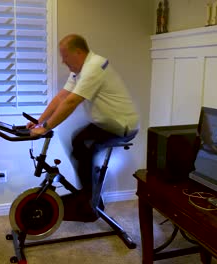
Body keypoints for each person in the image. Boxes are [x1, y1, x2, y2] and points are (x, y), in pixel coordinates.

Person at [28, 34, 139, 221]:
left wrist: (45, 128)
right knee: (78, 140)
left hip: (122, 126)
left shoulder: (94, 67)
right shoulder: (79, 70)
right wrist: (40, 122)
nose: (63, 61)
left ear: (78, 52)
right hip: (105, 123)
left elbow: (72, 102)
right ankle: (90, 197)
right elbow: (62, 97)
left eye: (65, 56)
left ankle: (88, 203)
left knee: (83, 143)